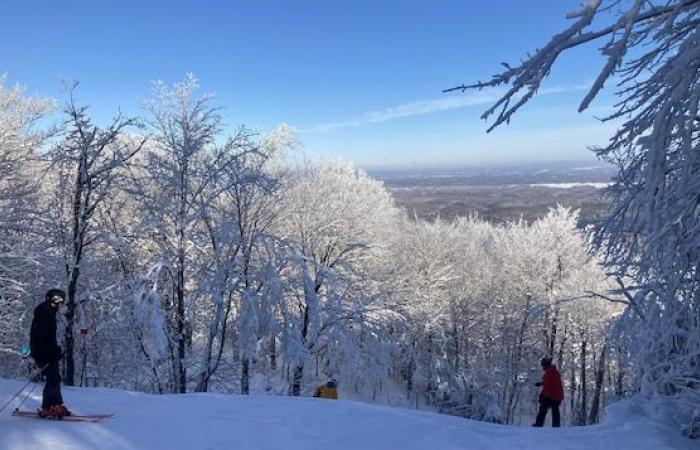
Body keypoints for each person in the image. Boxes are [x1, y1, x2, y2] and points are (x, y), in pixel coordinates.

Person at [30, 289, 71, 418]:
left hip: (47, 351)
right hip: (42, 352)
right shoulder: (44, 313)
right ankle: (48, 407)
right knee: (53, 378)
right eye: (56, 299)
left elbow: (48, 337)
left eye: (61, 300)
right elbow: (40, 336)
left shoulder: (49, 312)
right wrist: (50, 351)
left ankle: (56, 405)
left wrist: (56, 350)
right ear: (49, 298)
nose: (59, 302)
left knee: (55, 378)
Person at [533, 357, 563, 427]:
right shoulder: (554, 371)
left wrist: (542, 396)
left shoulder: (548, 373)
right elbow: (552, 383)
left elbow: (547, 387)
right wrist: (541, 383)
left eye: (542, 365)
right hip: (558, 395)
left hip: (552, 395)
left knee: (543, 408)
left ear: (545, 365)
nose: (542, 367)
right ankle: (556, 426)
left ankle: (539, 424)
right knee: (555, 410)